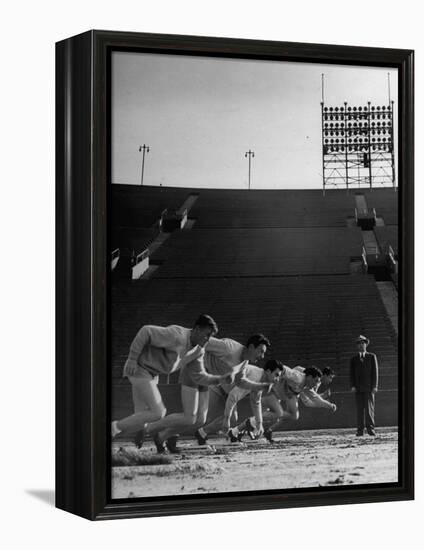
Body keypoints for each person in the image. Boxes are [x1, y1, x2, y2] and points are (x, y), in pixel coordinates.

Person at [111, 314, 219, 439]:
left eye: (210, 336)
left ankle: (121, 443)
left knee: (140, 423)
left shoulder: (198, 351)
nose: (207, 339)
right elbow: (146, 331)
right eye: (206, 334)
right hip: (139, 369)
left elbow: (199, 376)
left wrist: (219, 379)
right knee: (159, 412)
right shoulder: (177, 336)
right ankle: (114, 427)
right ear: (197, 329)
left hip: (152, 375)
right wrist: (132, 358)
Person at [133, 344, 235, 453]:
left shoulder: (240, 363)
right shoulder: (227, 348)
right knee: (189, 418)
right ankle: (147, 429)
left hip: (206, 376)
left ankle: (161, 436)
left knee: (200, 420)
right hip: (195, 371)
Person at [194, 334, 271, 444]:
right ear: (251, 347)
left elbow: (252, 398)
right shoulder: (229, 348)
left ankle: (201, 433)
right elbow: (201, 339)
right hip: (203, 376)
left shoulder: (245, 363)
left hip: (220, 386)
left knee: (232, 418)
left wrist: (259, 424)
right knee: (198, 418)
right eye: (261, 351)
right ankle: (167, 433)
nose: (262, 356)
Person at [237, 365, 337, 443]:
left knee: (283, 416)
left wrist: (328, 404)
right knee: (279, 415)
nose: (316, 384)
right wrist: (279, 380)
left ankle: (247, 428)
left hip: (287, 394)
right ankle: (251, 426)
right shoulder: (298, 377)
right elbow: (284, 369)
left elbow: (314, 398)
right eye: (315, 381)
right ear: (310, 377)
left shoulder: (308, 384)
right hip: (276, 391)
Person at [222, 359, 285, 442]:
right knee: (231, 418)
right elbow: (232, 396)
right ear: (268, 371)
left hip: (225, 387)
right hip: (219, 385)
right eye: (276, 375)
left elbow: (256, 402)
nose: (277, 379)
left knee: (232, 418)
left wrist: (259, 424)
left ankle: (205, 433)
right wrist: (226, 419)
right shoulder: (255, 377)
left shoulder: (261, 380)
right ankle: (203, 432)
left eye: (279, 376)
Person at [350, 335, 378, 436]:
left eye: (363, 343)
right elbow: (352, 374)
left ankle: (371, 429)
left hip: (369, 387)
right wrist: (353, 385)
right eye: (359, 343)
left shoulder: (372, 356)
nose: (361, 345)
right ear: (357, 346)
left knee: (369, 409)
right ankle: (360, 430)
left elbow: (375, 372)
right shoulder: (353, 359)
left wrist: (375, 386)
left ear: (366, 344)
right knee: (359, 410)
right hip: (358, 388)